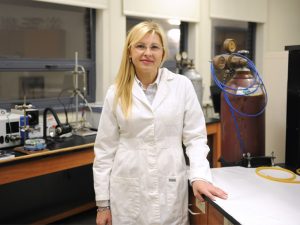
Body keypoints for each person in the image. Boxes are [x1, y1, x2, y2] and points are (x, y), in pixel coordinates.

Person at [93, 20, 228, 225]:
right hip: (127, 186)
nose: (147, 52)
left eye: (154, 47)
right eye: (140, 46)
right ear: (130, 52)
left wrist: (199, 176)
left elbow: (196, 138)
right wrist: (103, 205)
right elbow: (104, 151)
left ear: (163, 54)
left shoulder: (182, 86)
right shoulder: (116, 92)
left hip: (170, 183)